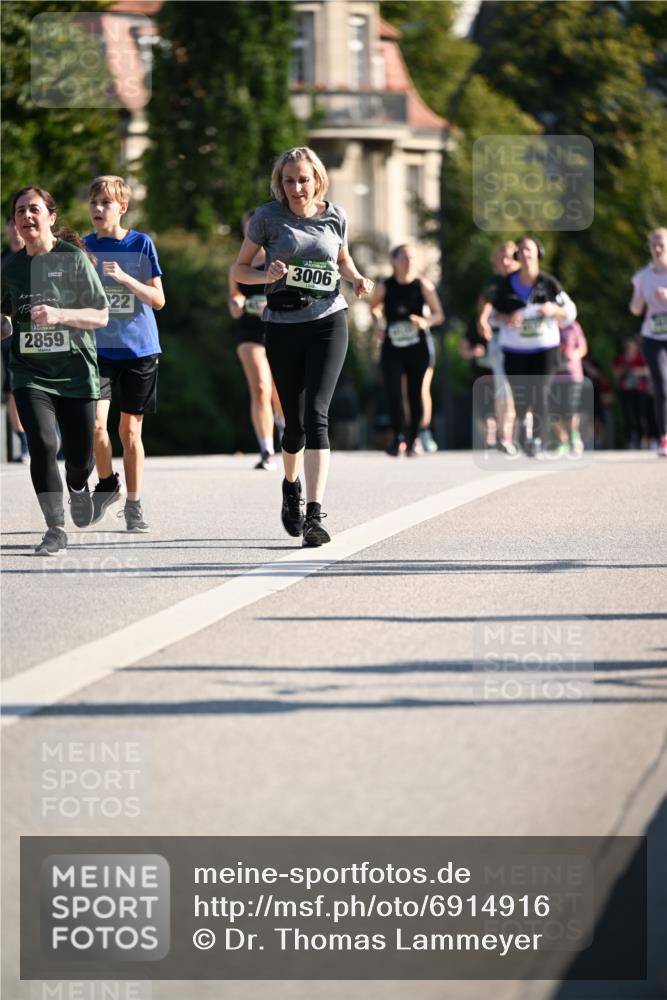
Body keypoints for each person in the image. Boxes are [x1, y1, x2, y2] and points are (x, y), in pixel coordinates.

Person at [231, 146, 373, 546]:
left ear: (317, 180)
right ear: (280, 183)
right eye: (289, 180)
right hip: (283, 325)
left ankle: (314, 514)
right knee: (293, 425)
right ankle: (289, 486)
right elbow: (239, 268)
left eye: (303, 179)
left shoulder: (335, 215)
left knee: (316, 414)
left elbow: (342, 260)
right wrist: (266, 275)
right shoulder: (267, 218)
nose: (297, 187)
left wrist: (358, 278)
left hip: (329, 319)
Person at [1, 187, 109, 555]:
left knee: (80, 458)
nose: (26, 216)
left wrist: (60, 315)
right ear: (14, 222)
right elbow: (4, 316)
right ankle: (54, 528)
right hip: (29, 372)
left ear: (51, 216)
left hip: (77, 373)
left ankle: (78, 487)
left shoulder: (73, 259)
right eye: (20, 212)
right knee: (44, 445)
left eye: (33, 209)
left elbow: (101, 314)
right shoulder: (10, 267)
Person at [83, 175, 165, 530]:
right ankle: (106, 482)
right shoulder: (81, 248)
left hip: (138, 350)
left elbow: (159, 300)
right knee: (95, 424)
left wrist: (127, 280)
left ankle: (134, 504)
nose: (98, 209)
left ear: (122, 207)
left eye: (105, 203)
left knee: (129, 432)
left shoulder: (140, 245)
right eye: (93, 203)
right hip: (98, 349)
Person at [492, 236, 577, 457]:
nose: (525, 254)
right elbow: (493, 317)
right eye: (520, 251)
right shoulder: (505, 284)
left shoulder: (549, 283)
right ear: (516, 256)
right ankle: (524, 428)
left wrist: (553, 310)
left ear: (538, 253)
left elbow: (570, 312)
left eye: (529, 250)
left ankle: (537, 439)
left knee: (540, 392)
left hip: (545, 348)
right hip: (514, 349)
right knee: (521, 397)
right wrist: (507, 317)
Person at [370, 243, 444, 457]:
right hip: (393, 346)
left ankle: (415, 438)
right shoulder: (385, 286)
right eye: (403, 257)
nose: (408, 261)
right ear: (394, 261)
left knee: (415, 391)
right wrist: (377, 325)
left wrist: (425, 321)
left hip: (417, 347)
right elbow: (374, 307)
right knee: (393, 391)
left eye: (411, 258)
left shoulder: (423, 286)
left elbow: (439, 314)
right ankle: (397, 437)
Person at [228, 210, 284, 471]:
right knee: (261, 386)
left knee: (280, 390)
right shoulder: (238, 266)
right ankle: (266, 450)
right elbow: (234, 300)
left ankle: (286, 430)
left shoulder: (280, 259)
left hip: (280, 330)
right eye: (248, 228)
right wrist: (237, 302)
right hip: (249, 333)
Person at [477, 241, 518, 455]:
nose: (505, 261)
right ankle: (505, 436)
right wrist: (483, 320)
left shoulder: (525, 281)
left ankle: (526, 433)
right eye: (500, 257)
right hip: (500, 341)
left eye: (509, 257)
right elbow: (485, 305)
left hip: (526, 342)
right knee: (504, 390)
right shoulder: (492, 283)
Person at [630, 227, 667, 457]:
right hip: (653, 336)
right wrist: (638, 298)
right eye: (653, 243)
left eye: (661, 243)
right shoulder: (643, 276)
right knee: (662, 385)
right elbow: (635, 310)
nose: (657, 247)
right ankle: (665, 438)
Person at [1, 216, 29, 461]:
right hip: (8, 336)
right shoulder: (2, 260)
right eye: (11, 222)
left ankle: (51, 437)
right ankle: (24, 444)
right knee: (13, 390)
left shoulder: (39, 257)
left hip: (37, 332)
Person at [552, 319, 588, 455]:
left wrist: (573, 355)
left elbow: (583, 348)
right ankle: (563, 440)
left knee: (570, 409)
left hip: (571, 375)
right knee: (554, 411)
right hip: (553, 376)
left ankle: (574, 438)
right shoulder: (548, 324)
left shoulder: (573, 326)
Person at [613, 335, 651, 449]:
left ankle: (641, 440)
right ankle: (629, 440)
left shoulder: (642, 356)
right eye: (627, 344)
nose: (629, 346)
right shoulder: (621, 358)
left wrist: (638, 371)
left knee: (641, 416)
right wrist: (624, 370)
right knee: (628, 416)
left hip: (640, 390)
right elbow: (615, 374)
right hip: (626, 391)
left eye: (631, 344)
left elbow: (650, 370)